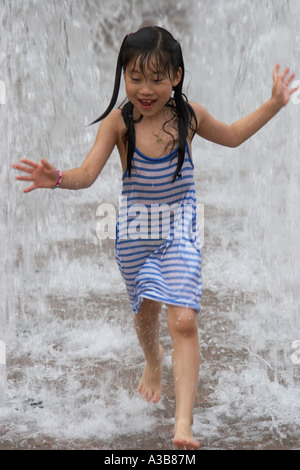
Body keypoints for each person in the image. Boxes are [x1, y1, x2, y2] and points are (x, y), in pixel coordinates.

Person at [12, 26, 296, 450]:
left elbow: (234, 135)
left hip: (181, 226)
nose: (145, 90)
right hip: (135, 234)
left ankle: (183, 424)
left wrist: (274, 103)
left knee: (182, 320)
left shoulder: (189, 117)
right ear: (124, 75)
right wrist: (56, 178)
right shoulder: (119, 123)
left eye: (157, 79)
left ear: (176, 76)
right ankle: (152, 359)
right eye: (135, 77)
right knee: (145, 315)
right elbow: (88, 174)